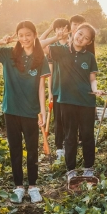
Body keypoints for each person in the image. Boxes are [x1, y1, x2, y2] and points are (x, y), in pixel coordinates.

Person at [0, 20, 50, 204]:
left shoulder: (40, 58)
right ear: (17, 37)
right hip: (11, 110)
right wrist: (2, 41)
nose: (25, 38)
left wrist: (42, 114)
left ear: (35, 35)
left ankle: (34, 186)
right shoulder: (9, 54)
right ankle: (19, 186)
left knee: (32, 150)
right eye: (21, 35)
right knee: (15, 149)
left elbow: (41, 88)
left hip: (31, 111)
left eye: (28, 34)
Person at [44, 23, 103, 182]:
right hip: (66, 100)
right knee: (69, 136)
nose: (81, 38)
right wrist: (56, 36)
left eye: (86, 38)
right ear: (74, 32)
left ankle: (89, 167)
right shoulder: (61, 50)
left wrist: (95, 89)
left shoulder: (89, 57)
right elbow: (40, 46)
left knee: (87, 135)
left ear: (89, 42)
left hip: (86, 101)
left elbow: (92, 79)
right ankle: (71, 169)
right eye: (80, 34)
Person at [40, 18, 70, 161]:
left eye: (63, 28)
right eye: (57, 28)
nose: (60, 31)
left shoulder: (72, 45)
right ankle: (59, 147)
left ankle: (69, 144)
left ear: (69, 30)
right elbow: (39, 43)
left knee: (69, 120)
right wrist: (50, 92)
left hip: (71, 90)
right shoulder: (53, 46)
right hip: (57, 90)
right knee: (58, 120)